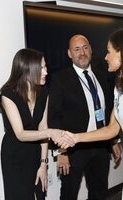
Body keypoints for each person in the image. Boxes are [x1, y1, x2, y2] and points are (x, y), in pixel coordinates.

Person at [48, 34, 120, 200]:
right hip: (74, 150)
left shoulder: (103, 75)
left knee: (100, 193)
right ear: (69, 53)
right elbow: (54, 117)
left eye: (85, 48)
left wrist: (114, 140)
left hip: (101, 147)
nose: (82, 53)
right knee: (69, 195)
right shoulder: (60, 79)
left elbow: (110, 110)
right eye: (77, 49)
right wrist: (62, 151)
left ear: (91, 50)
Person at [0, 48, 74, 200]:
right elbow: (21, 134)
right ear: (27, 70)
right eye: (41, 68)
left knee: (40, 194)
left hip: (35, 153)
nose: (46, 72)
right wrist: (51, 133)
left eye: (45, 67)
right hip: (14, 156)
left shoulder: (43, 91)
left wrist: (43, 163)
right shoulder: (8, 95)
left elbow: (43, 126)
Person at [59, 30, 123, 149]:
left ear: (120, 53)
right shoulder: (118, 89)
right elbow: (112, 129)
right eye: (76, 49)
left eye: (109, 52)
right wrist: (75, 137)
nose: (105, 57)